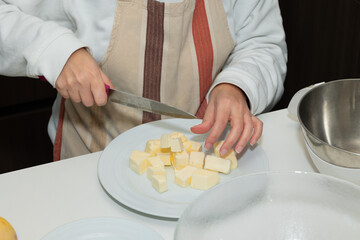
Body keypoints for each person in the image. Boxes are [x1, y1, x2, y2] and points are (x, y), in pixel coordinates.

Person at [0, 0, 287, 160]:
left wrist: (236, 86)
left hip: (205, 158)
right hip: (88, 161)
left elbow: (263, 43)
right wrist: (56, 51)